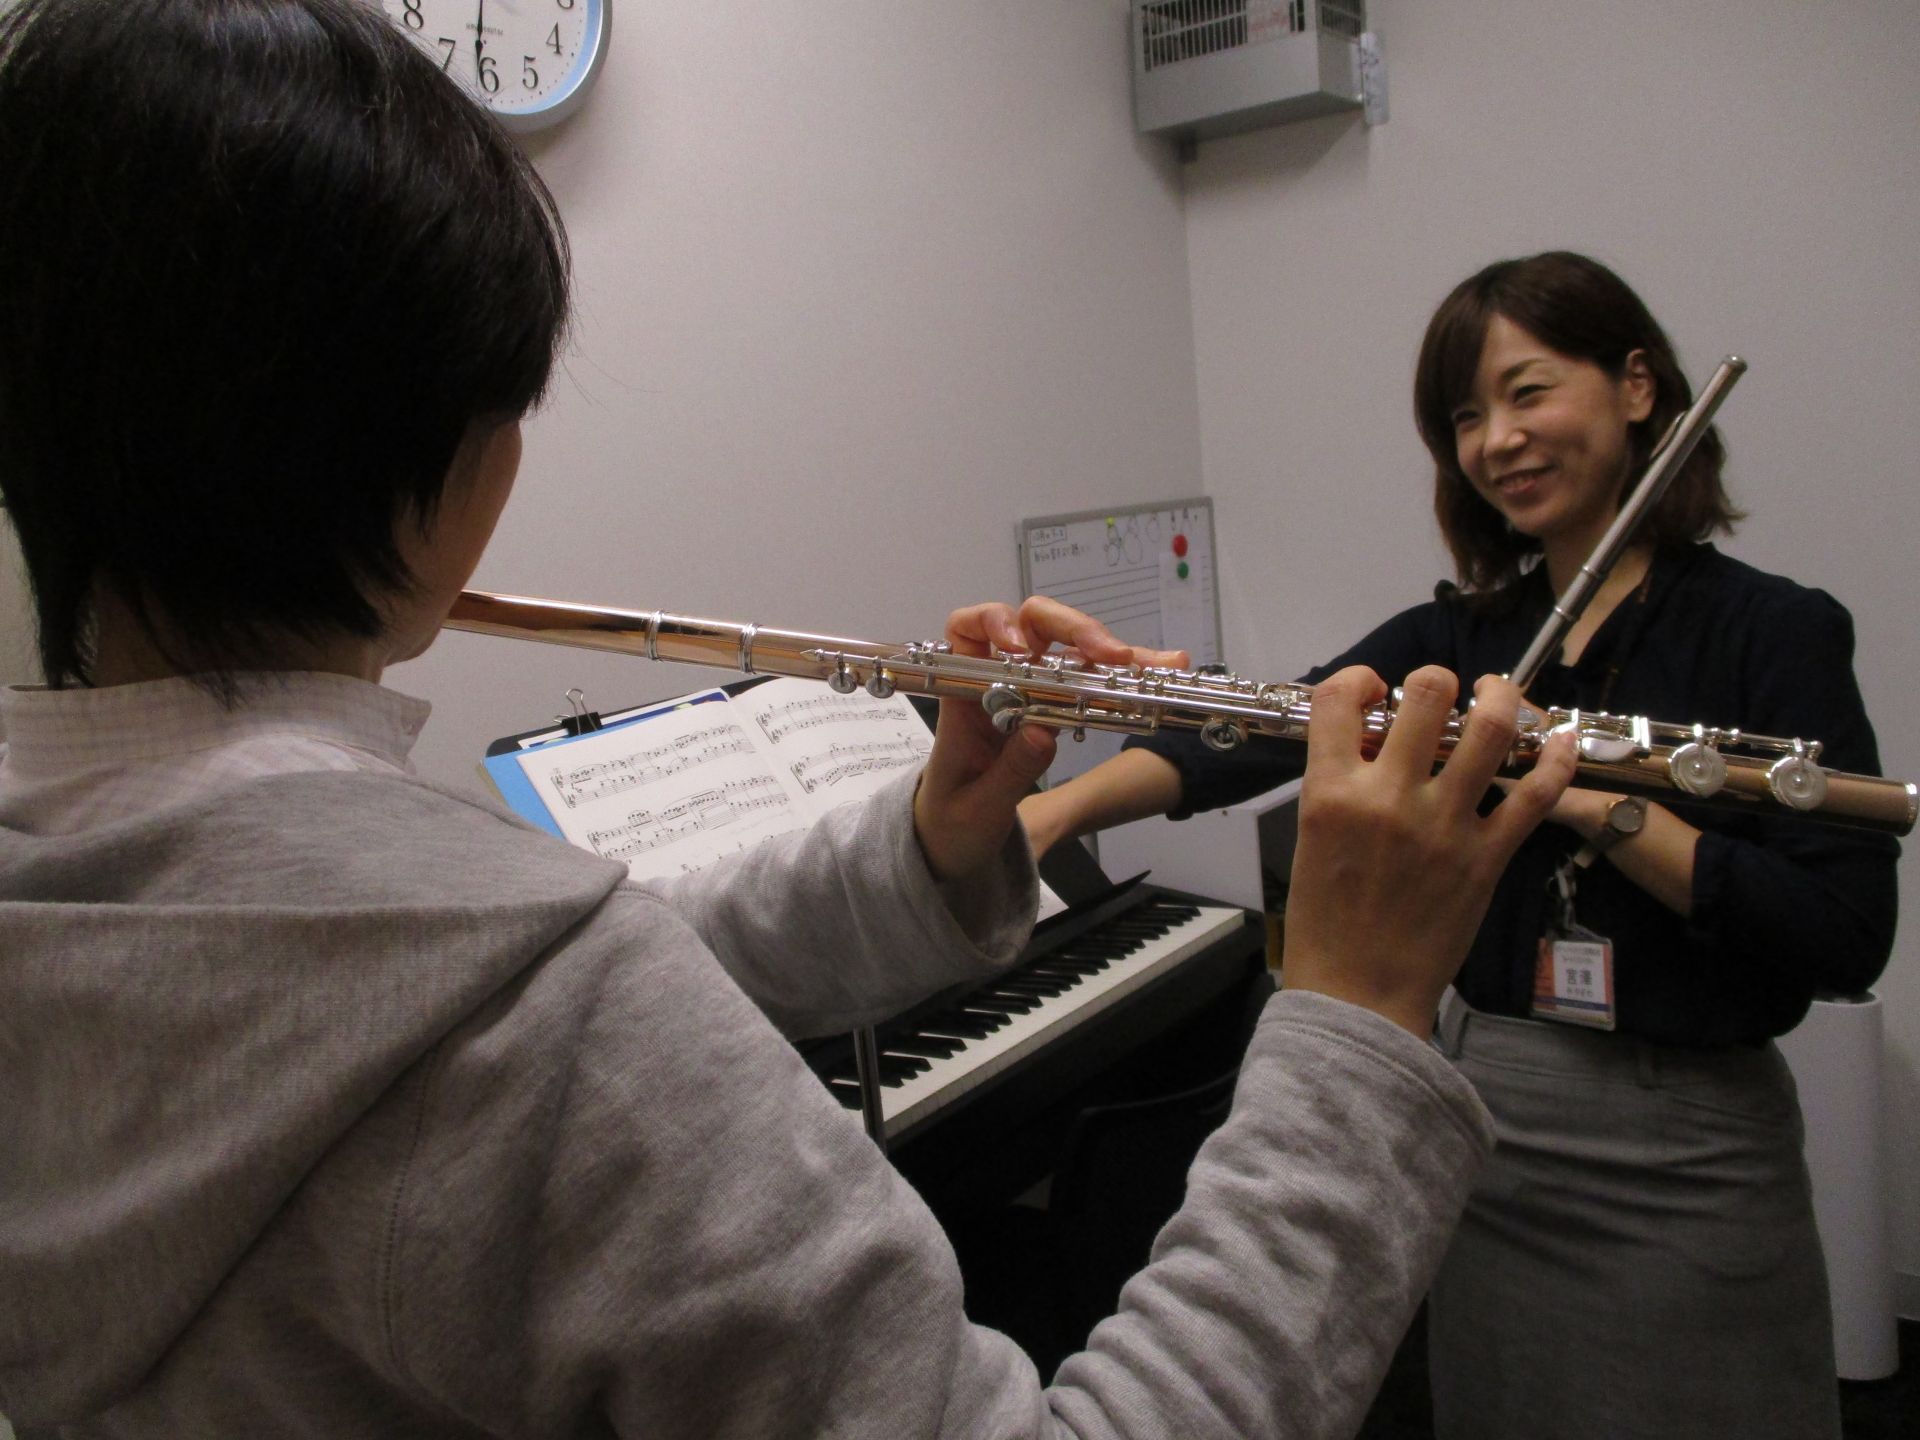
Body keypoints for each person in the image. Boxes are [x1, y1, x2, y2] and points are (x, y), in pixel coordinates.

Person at [0, 3, 1578, 1436]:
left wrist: (926, 848)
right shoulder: (538, 1011)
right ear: (442, 470)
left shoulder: (86, 868)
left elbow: (489, 995)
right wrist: (1358, 1020)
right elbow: (541, 1021)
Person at [1022, 250, 1900, 1439]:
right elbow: (1271, 727)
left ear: (1638, 387)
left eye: (1529, 392)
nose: (1498, 441)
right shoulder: (1463, 632)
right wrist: (1056, 813)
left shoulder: (1774, 631)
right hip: (1479, 1123)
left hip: (1687, 1152)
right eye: (1467, 417)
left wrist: (1591, 802)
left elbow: (1844, 939)